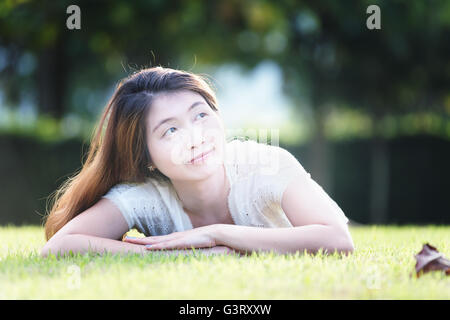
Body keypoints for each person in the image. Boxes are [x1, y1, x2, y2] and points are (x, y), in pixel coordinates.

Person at [40, 66, 354, 258]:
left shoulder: (265, 165)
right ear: (146, 156)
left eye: (201, 115)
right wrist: (167, 256)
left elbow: (338, 239)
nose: (195, 137)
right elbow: (58, 247)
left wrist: (217, 234)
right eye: (171, 130)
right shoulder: (146, 196)